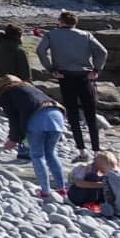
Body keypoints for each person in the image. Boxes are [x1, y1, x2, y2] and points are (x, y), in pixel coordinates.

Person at [38, 11, 109, 160]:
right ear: (75, 23)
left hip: (65, 77)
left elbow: (40, 51)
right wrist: (96, 70)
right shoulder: (86, 35)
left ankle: (82, 152)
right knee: (90, 114)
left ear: (61, 22)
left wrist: (51, 69)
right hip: (84, 77)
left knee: (73, 114)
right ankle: (96, 151)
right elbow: (102, 52)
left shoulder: (51, 35)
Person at [0, 75, 70, 199]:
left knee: (37, 155)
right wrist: (19, 138)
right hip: (57, 114)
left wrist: (13, 139)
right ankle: (61, 189)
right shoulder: (29, 87)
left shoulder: (6, 93)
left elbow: (14, 119)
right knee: (51, 153)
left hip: (38, 118)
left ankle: (45, 191)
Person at [68, 152, 120, 219]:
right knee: (93, 177)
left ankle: (95, 203)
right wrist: (103, 185)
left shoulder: (115, 175)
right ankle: (90, 202)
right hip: (76, 194)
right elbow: (78, 183)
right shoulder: (85, 168)